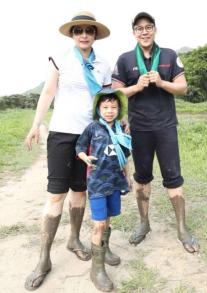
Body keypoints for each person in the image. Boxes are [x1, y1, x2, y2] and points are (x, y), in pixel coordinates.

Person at [24, 11, 112, 290]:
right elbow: (48, 92)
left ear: (95, 34)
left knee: (81, 191)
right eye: (78, 30)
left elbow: (107, 102)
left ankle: (74, 238)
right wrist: (36, 125)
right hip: (62, 134)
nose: (84, 34)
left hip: (91, 136)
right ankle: (43, 259)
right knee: (56, 195)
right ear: (72, 35)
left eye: (89, 30)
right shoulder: (61, 58)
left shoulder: (103, 64)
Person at [112, 12, 199, 253]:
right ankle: (143, 223)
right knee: (142, 178)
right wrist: (136, 87)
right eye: (139, 28)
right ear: (134, 33)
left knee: (174, 177)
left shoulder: (169, 55)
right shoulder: (124, 59)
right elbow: (116, 94)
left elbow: (182, 87)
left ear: (155, 30)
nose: (144, 31)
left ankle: (182, 228)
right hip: (139, 128)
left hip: (166, 126)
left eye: (148, 27)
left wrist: (162, 83)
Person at [76, 88, 131, 292]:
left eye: (113, 107)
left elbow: (125, 155)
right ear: (98, 108)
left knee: (108, 219)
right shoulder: (92, 128)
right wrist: (85, 158)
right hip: (98, 184)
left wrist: (128, 176)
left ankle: (105, 250)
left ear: (119, 109)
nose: (109, 110)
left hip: (115, 182)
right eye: (105, 107)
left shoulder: (121, 130)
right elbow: (79, 147)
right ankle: (96, 270)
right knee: (98, 225)